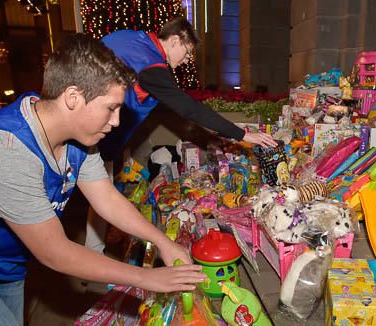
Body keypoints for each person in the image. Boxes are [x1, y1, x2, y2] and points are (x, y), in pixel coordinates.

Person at [0, 34, 205, 325]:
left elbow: (107, 200)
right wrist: (147, 278)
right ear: (73, 97)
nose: (117, 121)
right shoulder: (5, 150)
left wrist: (162, 241)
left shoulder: (79, 140)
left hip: (2, 258)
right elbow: (54, 251)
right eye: (111, 107)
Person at [84, 17, 277, 254]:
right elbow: (189, 108)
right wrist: (241, 134)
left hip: (84, 123)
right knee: (100, 197)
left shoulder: (129, 37)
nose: (185, 61)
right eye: (187, 54)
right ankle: (93, 255)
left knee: (96, 195)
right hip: (98, 136)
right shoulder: (152, 64)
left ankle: (92, 250)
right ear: (176, 40)